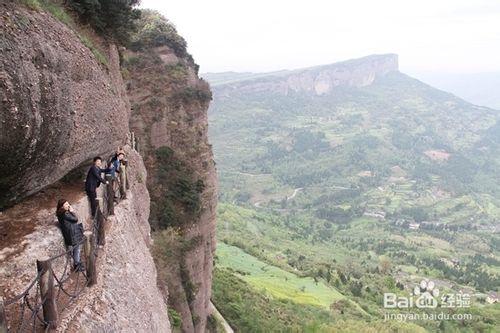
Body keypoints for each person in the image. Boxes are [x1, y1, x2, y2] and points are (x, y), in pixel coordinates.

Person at [56, 199, 84, 271]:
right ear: (61, 206)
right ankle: (77, 265)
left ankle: (77, 262)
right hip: (72, 233)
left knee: (76, 248)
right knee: (77, 248)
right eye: (66, 204)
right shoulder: (65, 213)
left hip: (70, 232)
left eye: (68, 204)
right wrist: (72, 211)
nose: (68, 205)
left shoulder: (61, 213)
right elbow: (75, 219)